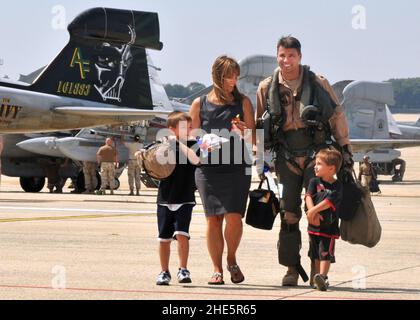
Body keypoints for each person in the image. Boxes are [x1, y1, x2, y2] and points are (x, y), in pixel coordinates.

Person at [255, 36, 353, 286]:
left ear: (300, 57)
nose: (286, 61)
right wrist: (260, 161)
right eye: (282, 55)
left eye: (291, 56)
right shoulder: (266, 87)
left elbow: (337, 116)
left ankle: (315, 270)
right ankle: (290, 268)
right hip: (285, 157)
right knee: (288, 214)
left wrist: (345, 148)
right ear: (277, 56)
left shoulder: (318, 83)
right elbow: (259, 126)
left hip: (315, 157)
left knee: (317, 213)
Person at [190, 55, 255, 285]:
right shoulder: (199, 104)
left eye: (236, 76)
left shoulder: (244, 102)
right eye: (229, 76)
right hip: (208, 169)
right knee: (213, 219)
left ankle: (232, 258)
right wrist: (205, 142)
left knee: (234, 217)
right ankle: (217, 268)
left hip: (237, 167)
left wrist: (244, 132)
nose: (233, 80)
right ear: (217, 76)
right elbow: (191, 140)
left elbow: (254, 139)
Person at [155, 111, 200, 285]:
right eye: (183, 127)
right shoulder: (163, 145)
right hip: (165, 198)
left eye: (189, 127)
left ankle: (183, 269)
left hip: (185, 196)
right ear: (171, 129)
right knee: (164, 238)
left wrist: (179, 144)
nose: (188, 129)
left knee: (182, 234)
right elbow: (152, 160)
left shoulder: (193, 144)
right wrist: (142, 156)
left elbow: (196, 160)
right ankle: (164, 271)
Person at [305, 149, 343, 291]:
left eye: (319, 164)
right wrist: (311, 213)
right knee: (314, 253)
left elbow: (329, 201)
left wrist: (314, 211)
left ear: (331, 168)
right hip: (313, 227)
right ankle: (316, 277)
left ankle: (323, 277)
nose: (315, 166)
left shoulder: (337, 186)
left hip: (329, 228)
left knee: (325, 253)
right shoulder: (314, 181)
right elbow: (308, 196)